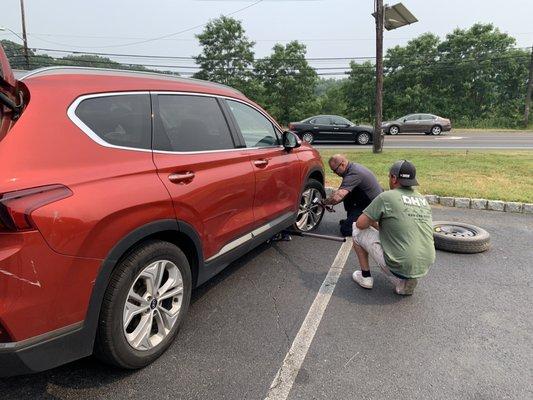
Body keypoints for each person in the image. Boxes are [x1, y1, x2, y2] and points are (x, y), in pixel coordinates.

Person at [351, 160, 435, 295]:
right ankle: (404, 283)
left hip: (399, 263)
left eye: (389, 176)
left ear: (394, 178)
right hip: (425, 262)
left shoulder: (386, 197)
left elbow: (361, 224)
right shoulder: (422, 199)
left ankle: (365, 277)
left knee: (356, 229)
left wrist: (372, 221)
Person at [323, 154, 383, 236]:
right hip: (368, 199)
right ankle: (353, 219)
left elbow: (338, 197)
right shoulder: (352, 168)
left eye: (335, 170)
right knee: (347, 194)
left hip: (372, 205)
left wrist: (324, 202)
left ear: (342, 164)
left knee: (345, 229)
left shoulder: (353, 174)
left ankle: (370, 223)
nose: (335, 173)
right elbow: (342, 194)